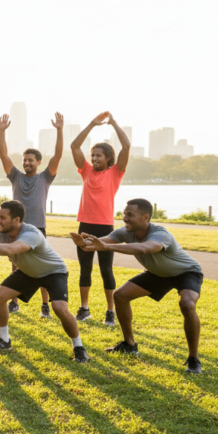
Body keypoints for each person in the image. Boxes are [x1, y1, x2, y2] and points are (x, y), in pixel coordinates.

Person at [72, 199, 204, 374]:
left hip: (186, 272)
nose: (125, 218)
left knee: (187, 304)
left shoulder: (160, 233)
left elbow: (144, 248)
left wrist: (106, 247)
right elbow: (99, 242)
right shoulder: (125, 232)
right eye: (124, 214)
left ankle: (194, 359)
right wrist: (84, 243)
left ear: (146, 217)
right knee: (120, 295)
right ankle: (129, 345)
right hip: (158, 274)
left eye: (130, 215)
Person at [0, 201, 89, 363]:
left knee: (59, 307)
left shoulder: (32, 234)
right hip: (28, 272)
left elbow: (9, 249)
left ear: (16, 220)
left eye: (3, 218)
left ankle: (79, 348)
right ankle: (4, 341)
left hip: (53, 271)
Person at [0, 112, 63, 318]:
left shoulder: (45, 177)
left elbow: (58, 156)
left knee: (41, 267)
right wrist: (1, 132)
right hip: (16, 228)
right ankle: (14, 302)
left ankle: (45, 305)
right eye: (25, 160)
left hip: (37, 228)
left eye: (31, 160)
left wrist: (60, 130)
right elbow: (3, 156)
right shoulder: (16, 176)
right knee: (16, 264)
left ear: (38, 162)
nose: (26, 163)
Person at [70, 111, 130, 326]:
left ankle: (110, 311)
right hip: (85, 225)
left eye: (98, 156)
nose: (94, 159)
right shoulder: (86, 171)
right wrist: (91, 124)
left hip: (105, 227)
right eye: (92, 155)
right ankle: (84, 309)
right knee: (85, 269)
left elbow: (126, 147)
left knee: (106, 269)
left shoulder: (116, 172)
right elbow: (74, 147)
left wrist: (113, 122)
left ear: (108, 159)